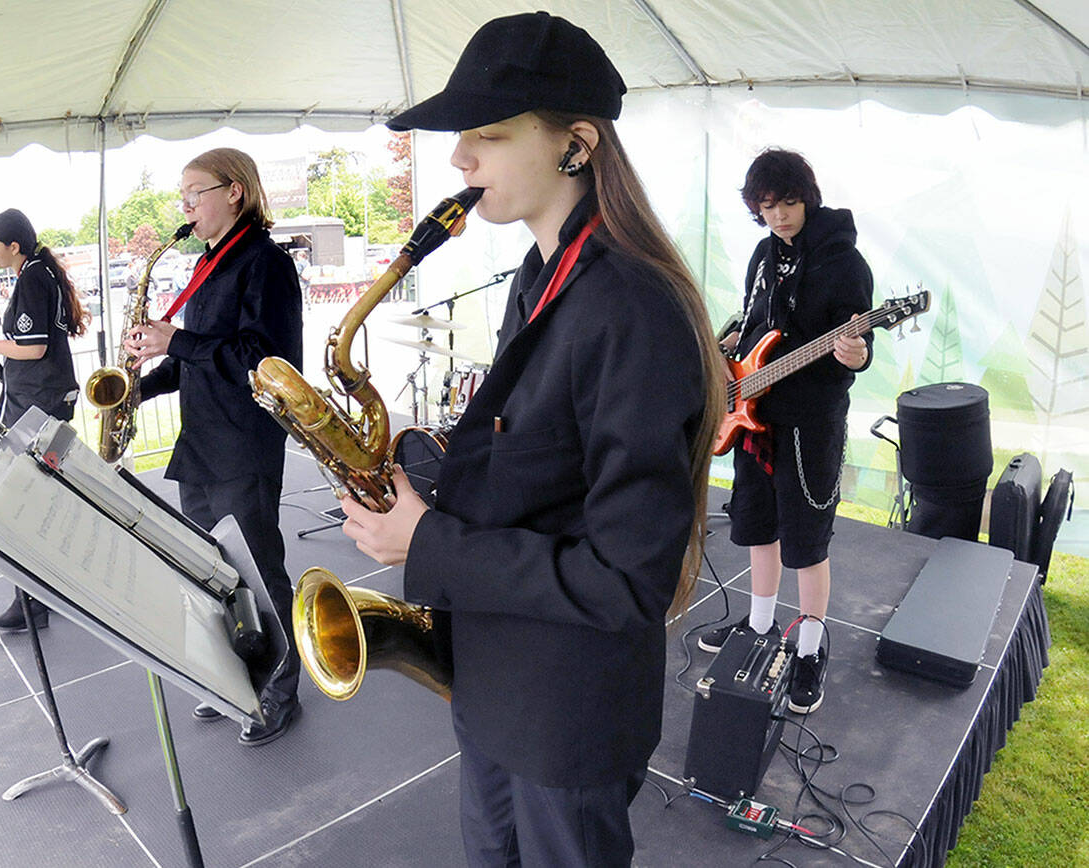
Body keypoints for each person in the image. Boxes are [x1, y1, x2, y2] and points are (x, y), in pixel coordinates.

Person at [340, 13, 723, 866]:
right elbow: (546, 466)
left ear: (576, 145)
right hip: (500, 686)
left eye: (489, 134)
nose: (458, 159)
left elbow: (629, 580)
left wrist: (425, 541)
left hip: (567, 713)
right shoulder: (541, 273)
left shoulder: (629, 306)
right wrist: (420, 470)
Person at [125, 147, 304, 747]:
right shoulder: (208, 265)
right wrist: (142, 384)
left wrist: (176, 341)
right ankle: (240, 678)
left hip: (243, 446)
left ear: (234, 191)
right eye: (183, 196)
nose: (186, 206)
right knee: (215, 575)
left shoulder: (266, 265)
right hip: (201, 443)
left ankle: (281, 687)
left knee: (261, 573)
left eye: (195, 192)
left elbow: (264, 360)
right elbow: (197, 355)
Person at [697, 148, 873, 716]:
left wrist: (855, 353)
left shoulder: (844, 262)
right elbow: (753, 324)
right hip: (754, 413)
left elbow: (858, 348)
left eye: (788, 203)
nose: (779, 216)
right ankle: (759, 624)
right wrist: (728, 353)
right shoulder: (763, 255)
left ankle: (811, 647)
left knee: (807, 537)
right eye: (766, 207)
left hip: (810, 422)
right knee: (756, 525)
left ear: (808, 196)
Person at [0, 207, 88, 631]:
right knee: (42, 497)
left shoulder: (34, 277)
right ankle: (44, 594)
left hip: (38, 401)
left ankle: (34, 601)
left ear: (13, 247)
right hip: (40, 398)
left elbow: (35, 347)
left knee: (29, 499)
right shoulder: (38, 273)